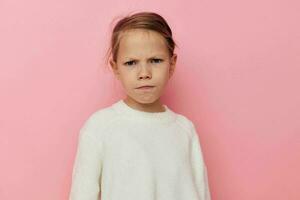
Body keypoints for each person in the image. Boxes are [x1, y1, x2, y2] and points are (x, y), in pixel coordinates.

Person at [69, 11, 211, 200]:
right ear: (115, 67)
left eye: (155, 60)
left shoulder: (184, 129)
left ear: (172, 64)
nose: (144, 73)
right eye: (131, 63)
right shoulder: (99, 127)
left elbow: (201, 193)